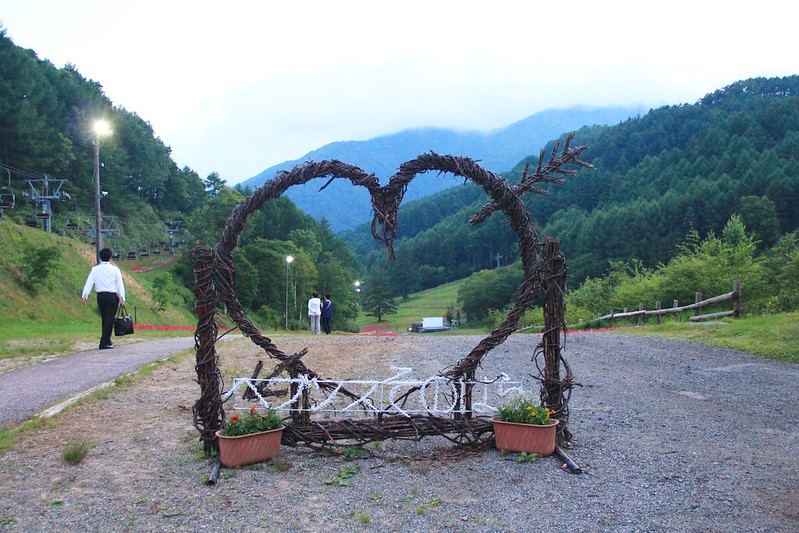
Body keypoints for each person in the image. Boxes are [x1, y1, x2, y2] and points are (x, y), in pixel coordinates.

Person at [81, 248, 126, 350]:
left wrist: (85, 295)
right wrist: (122, 298)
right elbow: (119, 285)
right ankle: (104, 342)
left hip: (100, 296)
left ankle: (107, 340)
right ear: (110, 257)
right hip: (112, 296)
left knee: (105, 319)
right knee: (109, 319)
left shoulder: (95, 269)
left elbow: (89, 282)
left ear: (100, 257)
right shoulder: (115, 270)